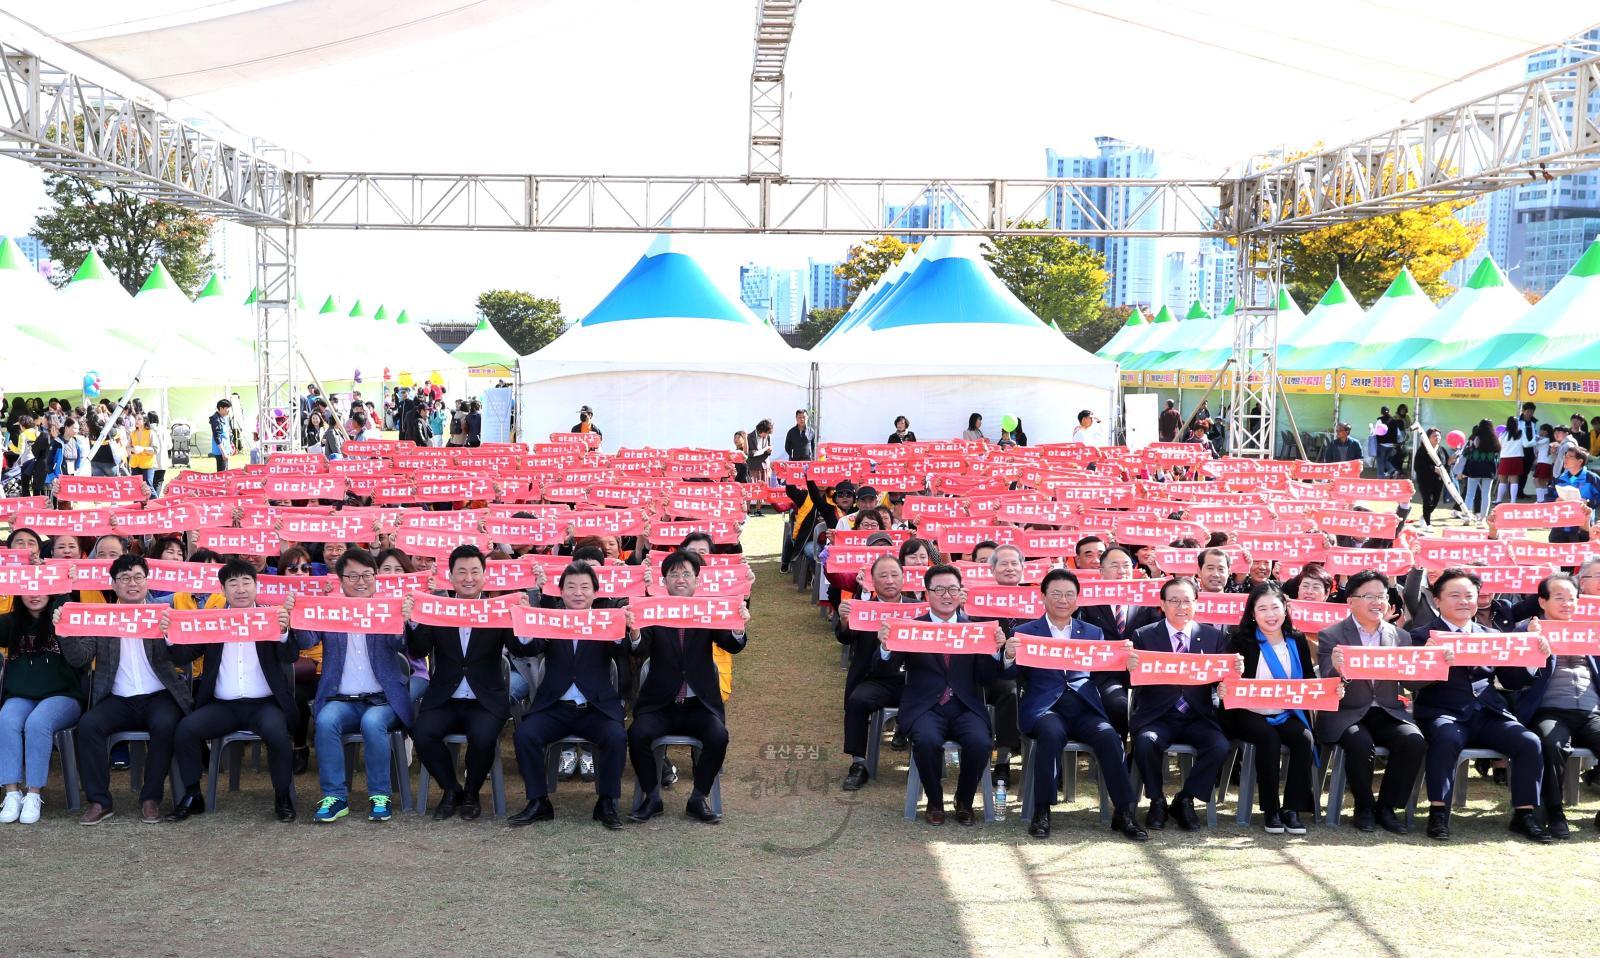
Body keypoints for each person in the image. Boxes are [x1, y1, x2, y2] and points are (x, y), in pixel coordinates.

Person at [1410, 567, 1549, 842]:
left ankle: (1524, 814)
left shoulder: (1491, 635)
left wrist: (1532, 659)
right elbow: (1411, 684)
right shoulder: (1421, 636)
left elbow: (1510, 679)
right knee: (1446, 738)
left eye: (1469, 595)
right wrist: (1430, 661)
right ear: (1437, 600)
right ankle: (1438, 812)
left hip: (1487, 712)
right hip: (1443, 712)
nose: (1464, 601)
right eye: (1455, 595)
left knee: (1529, 741)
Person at [1013, 569, 1146, 841]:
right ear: (1043, 597)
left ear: (1077, 600)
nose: (1063, 600)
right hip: (1044, 708)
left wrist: (1126, 663)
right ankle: (1042, 810)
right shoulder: (1024, 632)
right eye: (1056, 594)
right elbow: (1007, 676)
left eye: (1069, 595)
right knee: (1050, 733)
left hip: (1084, 706)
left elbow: (1105, 670)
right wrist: (1007, 655)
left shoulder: (1092, 632)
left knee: (1110, 736)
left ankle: (1124, 812)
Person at [165, 559, 300, 823]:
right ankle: (193, 795)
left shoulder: (271, 616)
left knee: (278, 735)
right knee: (185, 730)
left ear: (256, 585)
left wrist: (283, 631)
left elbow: (291, 655)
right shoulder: (212, 620)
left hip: (264, 705)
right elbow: (184, 654)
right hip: (222, 706)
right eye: (233, 583)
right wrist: (169, 635)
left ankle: (282, 795)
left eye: (246, 582)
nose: (240, 589)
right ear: (223, 590)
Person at [626, 549, 750, 824]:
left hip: (699, 705)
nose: (680, 579)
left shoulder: (709, 610)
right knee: (637, 735)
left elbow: (731, 644)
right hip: (660, 705)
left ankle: (698, 797)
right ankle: (651, 796)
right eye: (673, 574)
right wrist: (634, 633)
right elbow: (638, 649)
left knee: (718, 736)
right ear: (664, 581)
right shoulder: (653, 610)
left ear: (697, 580)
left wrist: (738, 627)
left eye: (686, 574)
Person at [508, 560, 631, 830]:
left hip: (595, 707)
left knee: (616, 736)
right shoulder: (550, 619)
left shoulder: (606, 621)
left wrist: (626, 631)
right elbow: (527, 648)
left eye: (585, 587)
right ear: (561, 592)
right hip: (555, 706)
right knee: (525, 736)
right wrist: (527, 624)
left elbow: (624, 652)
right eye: (571, 587)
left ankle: (607, 802)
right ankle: (538, 801)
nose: (578, 593)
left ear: (595, 593)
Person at [404, 544, 523, 821]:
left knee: (483, 738)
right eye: (462, 572)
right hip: (445, 697)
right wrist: (412, 621)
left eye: (474, 571)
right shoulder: (438, 608)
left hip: (485, 699)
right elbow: (419, 649)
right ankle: (450, 789)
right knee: (423, 734)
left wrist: (522, 620)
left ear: (484, 576)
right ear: (451, 576)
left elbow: (521, 648)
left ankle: (471, 792)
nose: (468, 578)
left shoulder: (498, 609)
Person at [882, 564, 1007, 826]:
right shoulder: (912, 627)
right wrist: (885, 645)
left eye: (952, 589)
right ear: (927, 594)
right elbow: (885, 668)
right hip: (925, 708)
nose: (946, 595)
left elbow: (986, 678)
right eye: (939, 589)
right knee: (926, 741)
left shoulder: (975, 629)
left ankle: (964, 800)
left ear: (961, 593)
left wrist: (994, 651)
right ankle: (934, 801)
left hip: (965, 707)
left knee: (981, 743)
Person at [295, 548, 413, 825]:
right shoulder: (329, 608)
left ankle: (379, 795)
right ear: (340, 579)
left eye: (367, 575)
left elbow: (402, 646)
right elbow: (306, 642)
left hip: (382, 700)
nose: (361, 582)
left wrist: (402, 623)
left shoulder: (388, 606)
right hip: (341, 699)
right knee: (325, 721)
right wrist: (296, 616)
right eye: (353, 576)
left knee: (373, 723)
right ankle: (335, 796)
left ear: (375, 577)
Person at [1318, 570, 1426, 834]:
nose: (1378, 602)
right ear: (1351, 601)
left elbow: (1412, 684)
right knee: (1359, 742)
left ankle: (1387, 808)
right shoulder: (1332, 635)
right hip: (1347, 711)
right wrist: (1335, 669)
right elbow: (1326, 685)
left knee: (1413, 740)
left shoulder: (1400, 637)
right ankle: (1364, 807)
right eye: (1369, 596)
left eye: (1382, 596)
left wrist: (1429, 665)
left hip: (1388, 710)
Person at [1494, 573, 1597, 839]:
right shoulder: (1524, 631)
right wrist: (1532, 651)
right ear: (1542, 601)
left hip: (1592, 709)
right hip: (1550, 710)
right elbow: (1509, 680)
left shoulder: (1591, 631)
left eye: (1572, 598)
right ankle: (1554, 812)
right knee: (1551, 745)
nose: (1567, 604)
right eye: (1559, 597)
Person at [1127, 577, 1235, 831]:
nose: (1180, 606)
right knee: (1145, 742)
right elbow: (1133, 680)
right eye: (1173, 600)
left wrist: (1231, 676)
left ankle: (1185, 799)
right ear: (1162, 605)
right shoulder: (1144, 635)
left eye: (1187, 600)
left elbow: (1221, 680)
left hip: (1198, 716)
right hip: (1158, 715)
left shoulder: (1213, 636)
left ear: (1196, 603)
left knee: (1219, 746)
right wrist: (1129, 668)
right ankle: (1156, 800)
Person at [1220, 583, 1320, 835]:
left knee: (1303, 739)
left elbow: (1308, 680)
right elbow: (1224, 679)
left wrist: (1332, 687)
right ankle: (1271, 809)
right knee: (1268, 738)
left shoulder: (1297, 640)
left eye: (1275, 607)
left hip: (1286, 711)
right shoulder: (1240, 639)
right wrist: (1228, 679)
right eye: (1262, 608)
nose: (1270, 614)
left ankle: (1293, 809)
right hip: (1247, 713)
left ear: (1285, 609)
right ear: (1253, 613)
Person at [0, 593, 82, 825]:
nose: (35, 595)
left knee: (37, 723)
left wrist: (64, 588)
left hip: (62, 697)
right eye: (28, 590)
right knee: (6, 719)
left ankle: (33, 794)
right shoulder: (11, 622)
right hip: (21, 697)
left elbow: (80, 654)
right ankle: (12, 793)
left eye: (41, 589)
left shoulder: (62, 616)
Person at [836, 555, 914, 790]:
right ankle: (858, 763)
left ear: (904, 578)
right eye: (883, 575)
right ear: (872, 580)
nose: (890, 580)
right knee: (857, 701)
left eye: (894, 575)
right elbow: (845, 638)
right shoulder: (863, 607)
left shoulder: (918, 608)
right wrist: (844, 620)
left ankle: (924, 760)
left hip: (913, 679)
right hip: (875, 678)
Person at [1074, 546, 1160, 735]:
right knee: (1118, 706)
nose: (1122, 571)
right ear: (1101, 571)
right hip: (1106, 674)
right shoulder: (1089, 601)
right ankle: (1118, 755)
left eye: (1126, 566)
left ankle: (1137, 757)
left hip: (1142, 672)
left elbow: (1156, 633)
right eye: (1115, 566)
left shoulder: (1146, 598)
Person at [1462, 419, 1500, 520]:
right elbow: (1497, 454)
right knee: (1486, 494)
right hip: (1489, 469)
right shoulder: (1494, 440)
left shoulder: (1475, 437)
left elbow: (1466, 452)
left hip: (1474, 468)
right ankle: (1483, 518)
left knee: (1470, 494)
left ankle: (1467, 517)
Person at [1413, 427, 1450, 527]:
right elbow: (1418, 466)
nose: (1437, 437)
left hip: (1438, 480)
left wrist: (1450, 462)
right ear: (1428, 438)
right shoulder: (1422, 450)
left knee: (1435, 501)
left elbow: (1446, 464)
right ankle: (1427, 523)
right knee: (1427, 500)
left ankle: (1424, 516)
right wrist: (1433, 468)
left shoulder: (1442, 450)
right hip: (1425, 479)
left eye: (1438, 435)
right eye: (1434, 436)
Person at [1497, 415, 1526, 506]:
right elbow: (1525, 444)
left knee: (1502, 480)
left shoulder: (1503, 434)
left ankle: (1498, 499)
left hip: (1504, 458)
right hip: (1516, 458)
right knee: (1514, 480)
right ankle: (1513, 501)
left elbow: (1499, 445)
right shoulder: (1521, 433)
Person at [1518, 402, 1541, 497]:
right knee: (1517, 472)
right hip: (1519, 450)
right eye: (1527, 411)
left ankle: (1521, 492)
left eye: (1531, 411)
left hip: (1530, 451)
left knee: (1525, 472)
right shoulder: (1517, 421)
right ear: (1523, 411)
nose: (1529, 413)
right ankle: (1513, 492)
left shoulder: (1534, 422)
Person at [207, 399, 234, 472]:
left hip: (225, 448)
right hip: (220, 451)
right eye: (227, 408)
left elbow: (227, 433)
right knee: (222, 473)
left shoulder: (225, 417)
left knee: (225, 471)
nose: (229, 410)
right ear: (221, 408)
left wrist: (231, 446)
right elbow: (217, 437)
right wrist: (223, 453)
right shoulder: (216, 420)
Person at [1374, 406, 1399, 479]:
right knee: (1385, 460)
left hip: (1381, 445)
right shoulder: (1394, 421)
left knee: (1380, 461)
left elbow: (1376, 432)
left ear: (1381, 412)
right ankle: (1393, 470)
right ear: (1389, 411)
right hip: (1391, 445)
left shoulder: (1379, 421)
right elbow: (1396, 433)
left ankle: (1381, 477)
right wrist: (1395, 443)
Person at [747, 420, 773, 484]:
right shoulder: (749, 437)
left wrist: (768, 451)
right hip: (754, 467)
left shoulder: (768, 436)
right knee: (755, 488)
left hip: (765, 466)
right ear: (760, 430)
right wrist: (761, 451)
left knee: (765, 488)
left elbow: (769, 451)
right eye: (766, 433)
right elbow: (748, 453)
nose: (766, 435)